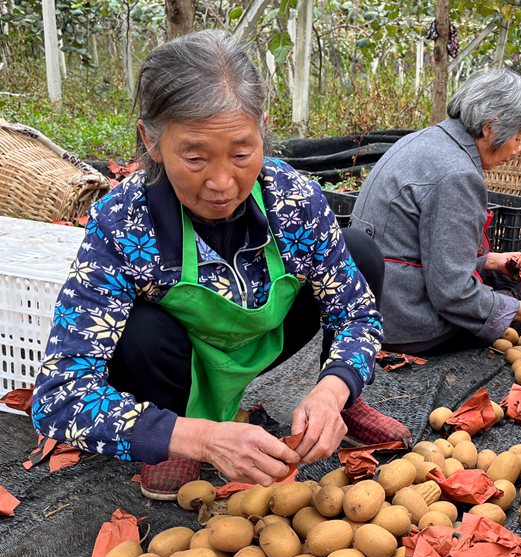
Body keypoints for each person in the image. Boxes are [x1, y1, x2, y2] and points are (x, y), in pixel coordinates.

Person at [30, 31, 408, 501]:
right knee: (140, 329)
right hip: (174, 363)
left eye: (242, 152)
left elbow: (357, 314)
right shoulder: (124, 222)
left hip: (263, 340)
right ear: (150, 141)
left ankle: (345, 409)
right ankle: (173, 436)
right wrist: (200, 437)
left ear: (262, 128)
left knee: (360, 253)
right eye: (194, 157)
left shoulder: (294, 199)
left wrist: (335, 387)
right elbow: (59, 396)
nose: (223, 183)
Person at [350, 69, 521, 355]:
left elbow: (421, 250)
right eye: (518, 138)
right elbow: (452, 294)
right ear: (491, 128)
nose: (518, 149)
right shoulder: (458, 175)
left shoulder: (426, 140)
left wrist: (489, 261)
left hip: (376, 298)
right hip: (402, 320)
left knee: (507, 283)